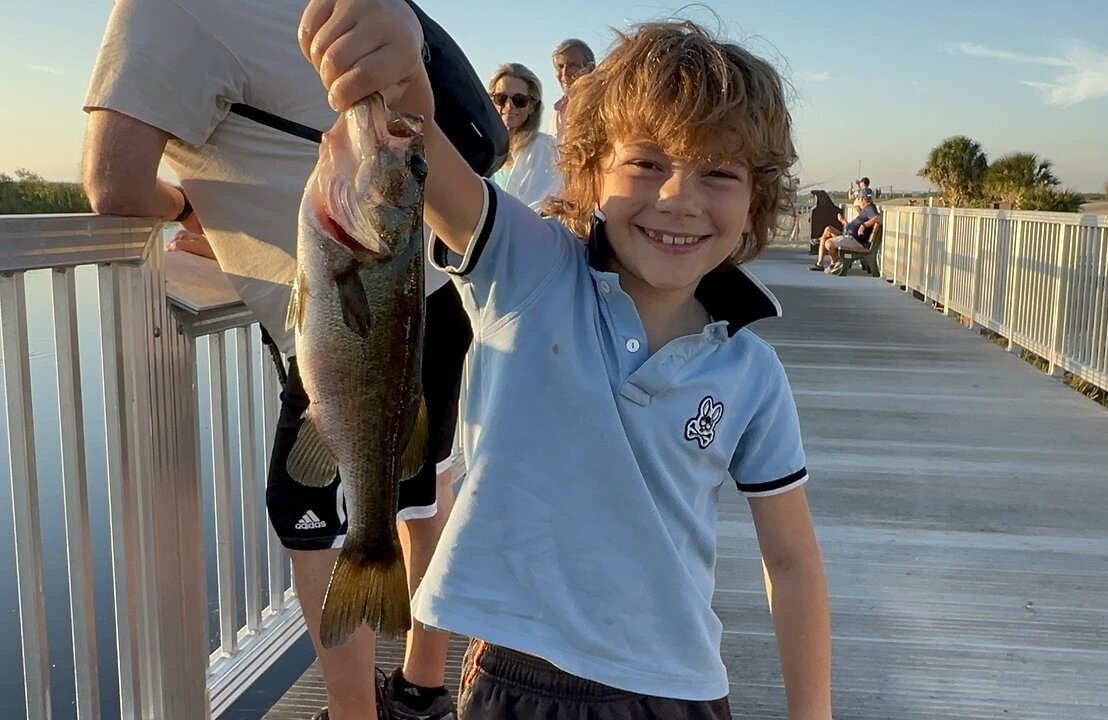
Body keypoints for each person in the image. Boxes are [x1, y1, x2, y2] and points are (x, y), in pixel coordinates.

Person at [300, 5, 833, 719]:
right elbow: (417, 139)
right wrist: (398, 56)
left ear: (757, 200)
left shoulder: (752, 372)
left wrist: (813, 710)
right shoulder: (528, 268)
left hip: (679, 689)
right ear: (587, 173)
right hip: (515, 680)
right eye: (646, 163)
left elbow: (793, 563)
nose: (678, 199)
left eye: (718, 173)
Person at [81, 2, 465, 718]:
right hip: (433, 293)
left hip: (355, 309)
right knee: (422, 490)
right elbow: (409, 142)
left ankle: (356, 714)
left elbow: (112, 184)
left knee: (309, 513)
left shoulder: (166, 11)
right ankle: (423, 685)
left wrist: (193, 212)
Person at [487, 63, 561, 209]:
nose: (509, 105)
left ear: (532, 106)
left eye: (519, 100)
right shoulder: (478, 148)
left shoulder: (545, 149)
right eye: (501, 98)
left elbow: (544, 208)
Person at [813, 188, 881, 275]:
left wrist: (864, 226)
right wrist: (843, 221)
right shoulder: (865, 209)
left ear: (863, 199)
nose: (858, 201)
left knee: (829, 243)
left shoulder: (870, 208)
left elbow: (878, 218)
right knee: (827, 231)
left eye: (858, 198)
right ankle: (827, 262)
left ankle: (836, 262)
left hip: (855, 240)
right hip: (850, 237)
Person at [550, 38, 595, 141]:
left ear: (590, 69)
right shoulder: (557, 111)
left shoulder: (601, 107)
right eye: (560, 67)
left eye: (572, 66)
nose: (565, 73)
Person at [807, 189, 842, 257]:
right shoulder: (835, 210)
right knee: (825, 234)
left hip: (833, 236)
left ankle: (817, 247)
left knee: (826, 232)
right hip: (831, 235)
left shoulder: (816, 211)